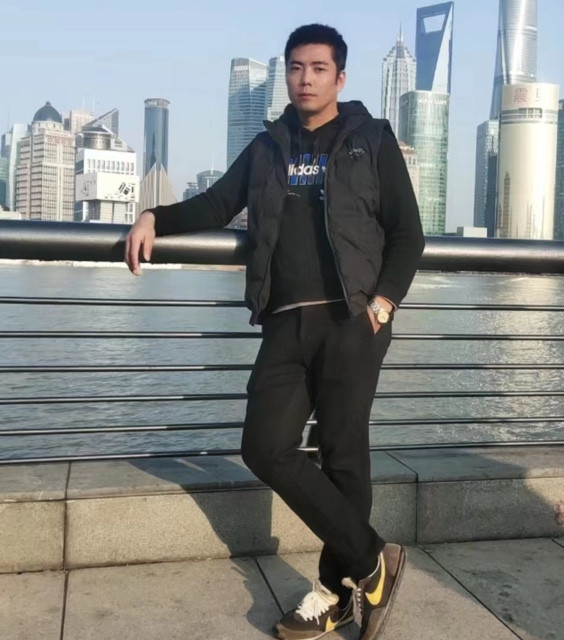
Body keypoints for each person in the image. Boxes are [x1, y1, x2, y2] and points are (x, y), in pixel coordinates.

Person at [125, 23, 424, 640]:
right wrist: (154, 214)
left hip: (351, 319)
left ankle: (335, 594)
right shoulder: (268, 146)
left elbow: (407, 234)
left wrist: (382, 306)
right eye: (295, 67)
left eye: (318, 68)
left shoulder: (371, 140)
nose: (305, 78)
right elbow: (216, 204)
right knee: (265, 447)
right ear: (286, 75)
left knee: (343, 455)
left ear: (340, 77)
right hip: (286, 321)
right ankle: (373, 561)